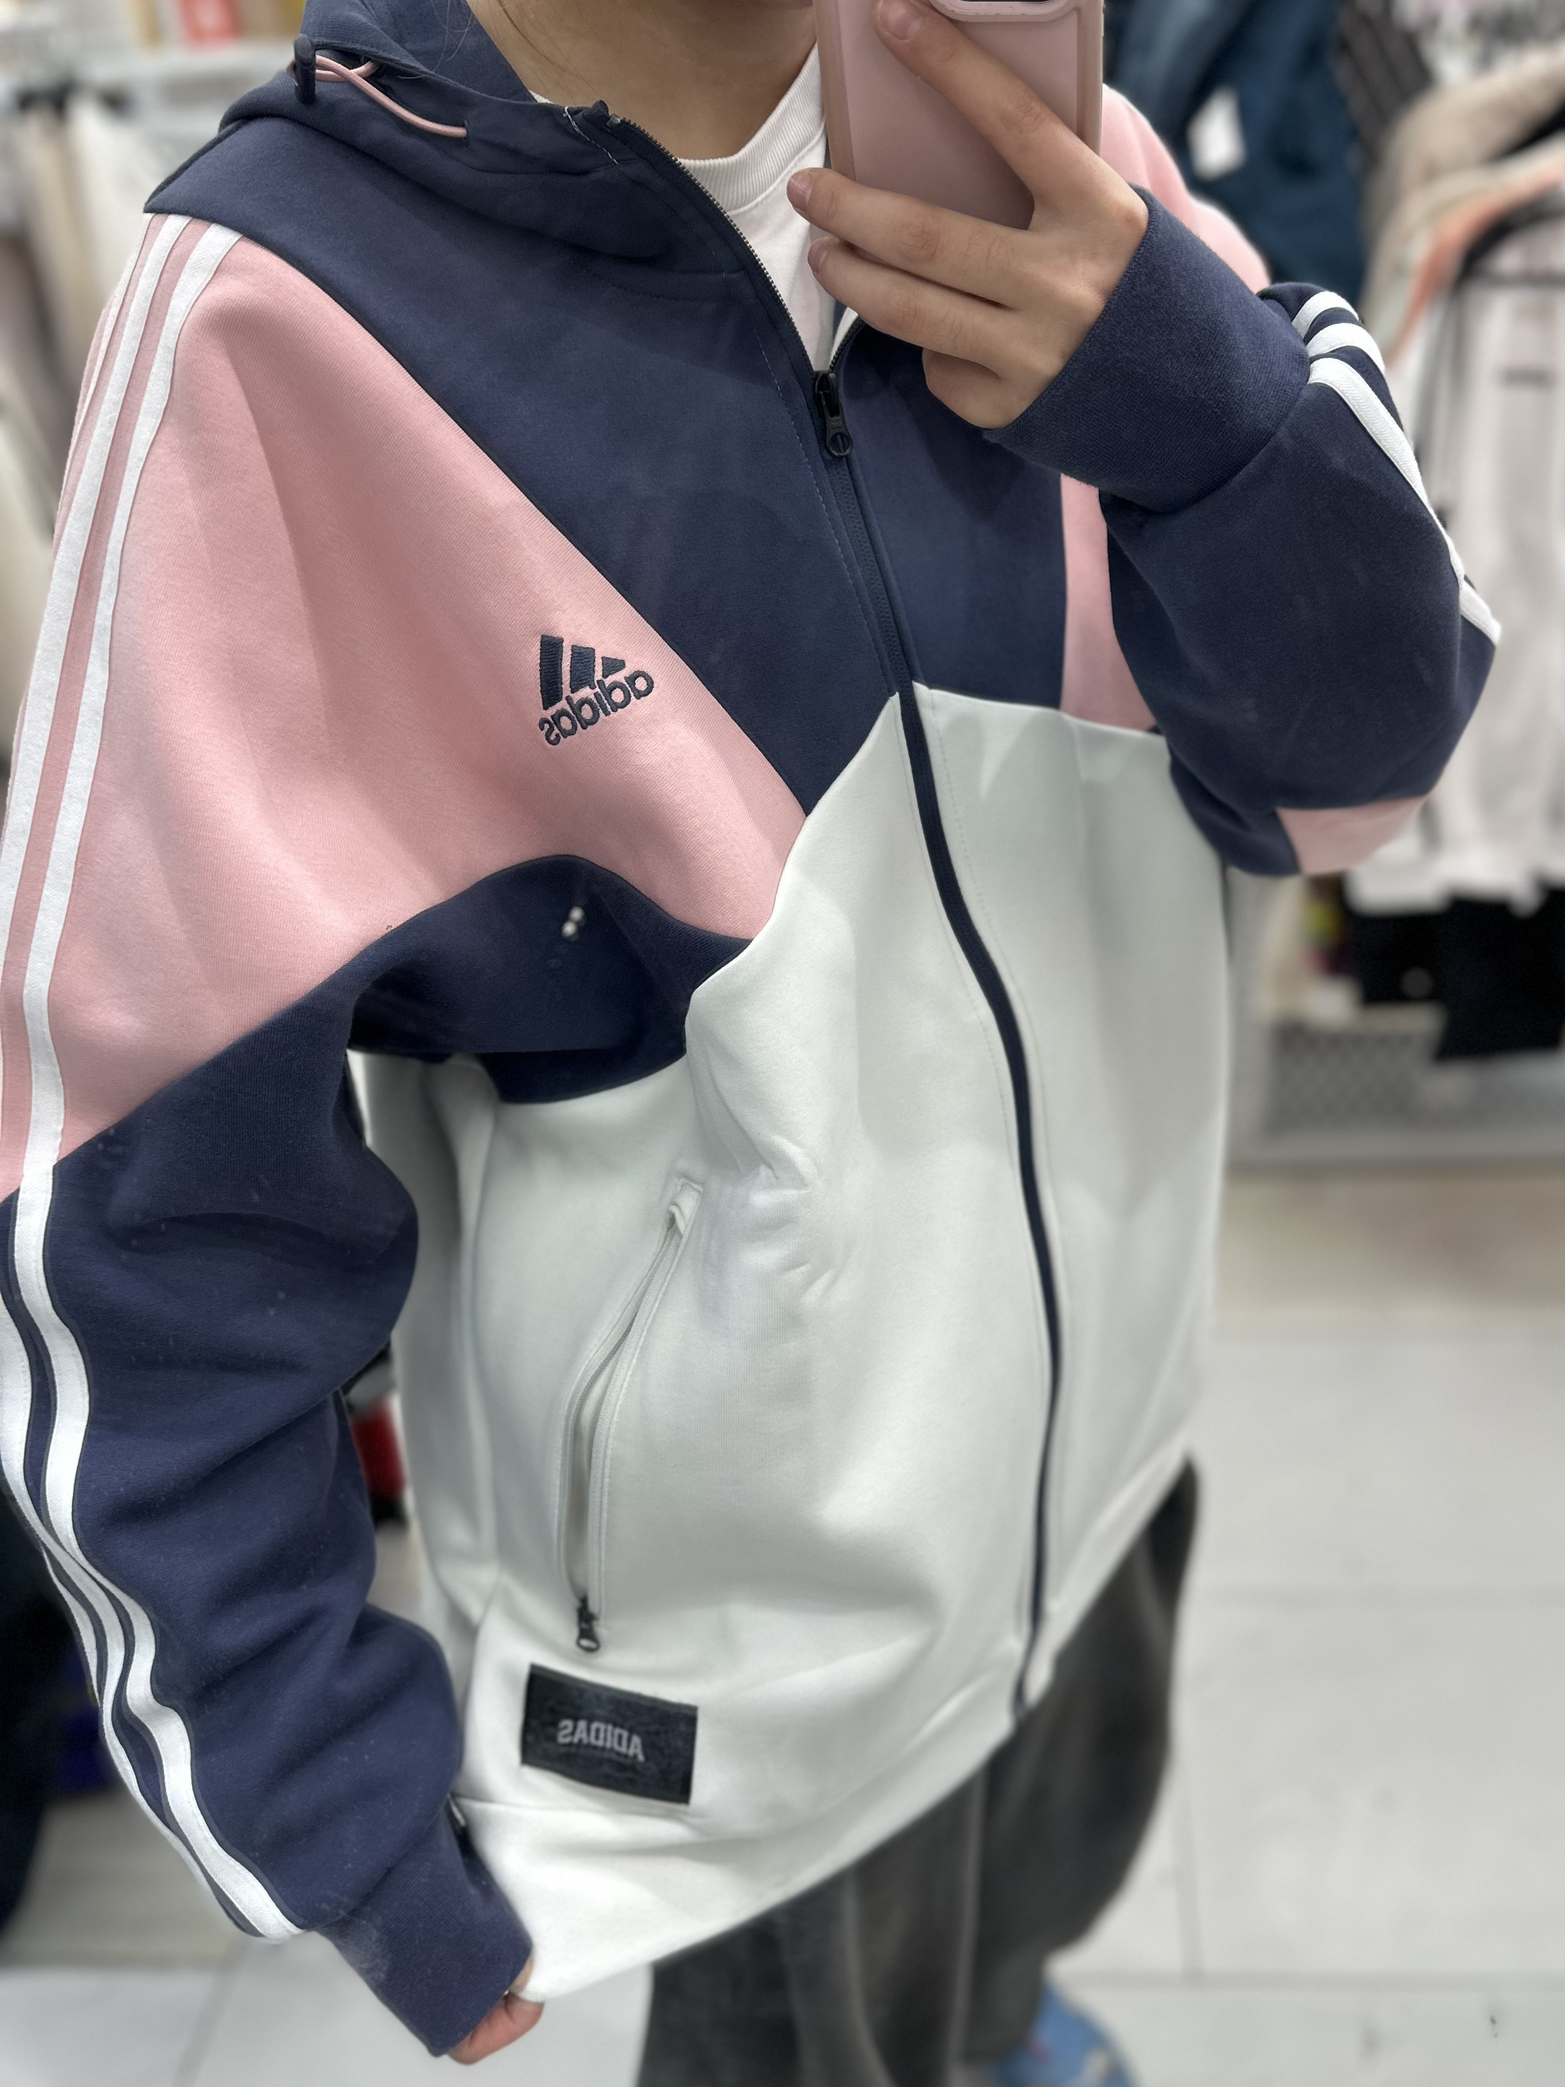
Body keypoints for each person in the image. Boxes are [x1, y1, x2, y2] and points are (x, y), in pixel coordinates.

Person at [0, 0, 1489, 2078]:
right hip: (735, 1673)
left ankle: (1007, 2024)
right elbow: (131, 1156)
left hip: (1104, 1466)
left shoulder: (1057, 160)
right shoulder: (280, 311)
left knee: (1026, 1906)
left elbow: (1356, 773)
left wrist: (1195, 409)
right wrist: (316, 1783)